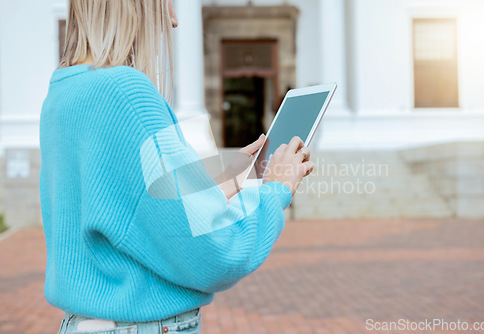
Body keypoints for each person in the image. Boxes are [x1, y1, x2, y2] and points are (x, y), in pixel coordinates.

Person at [39, 0, 314, 333]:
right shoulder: (126, 92)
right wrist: (277, 189)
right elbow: (215, 252)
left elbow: (130, 207)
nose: (174, 20)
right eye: (168, 2)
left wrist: (230, 180)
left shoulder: (64, 90)